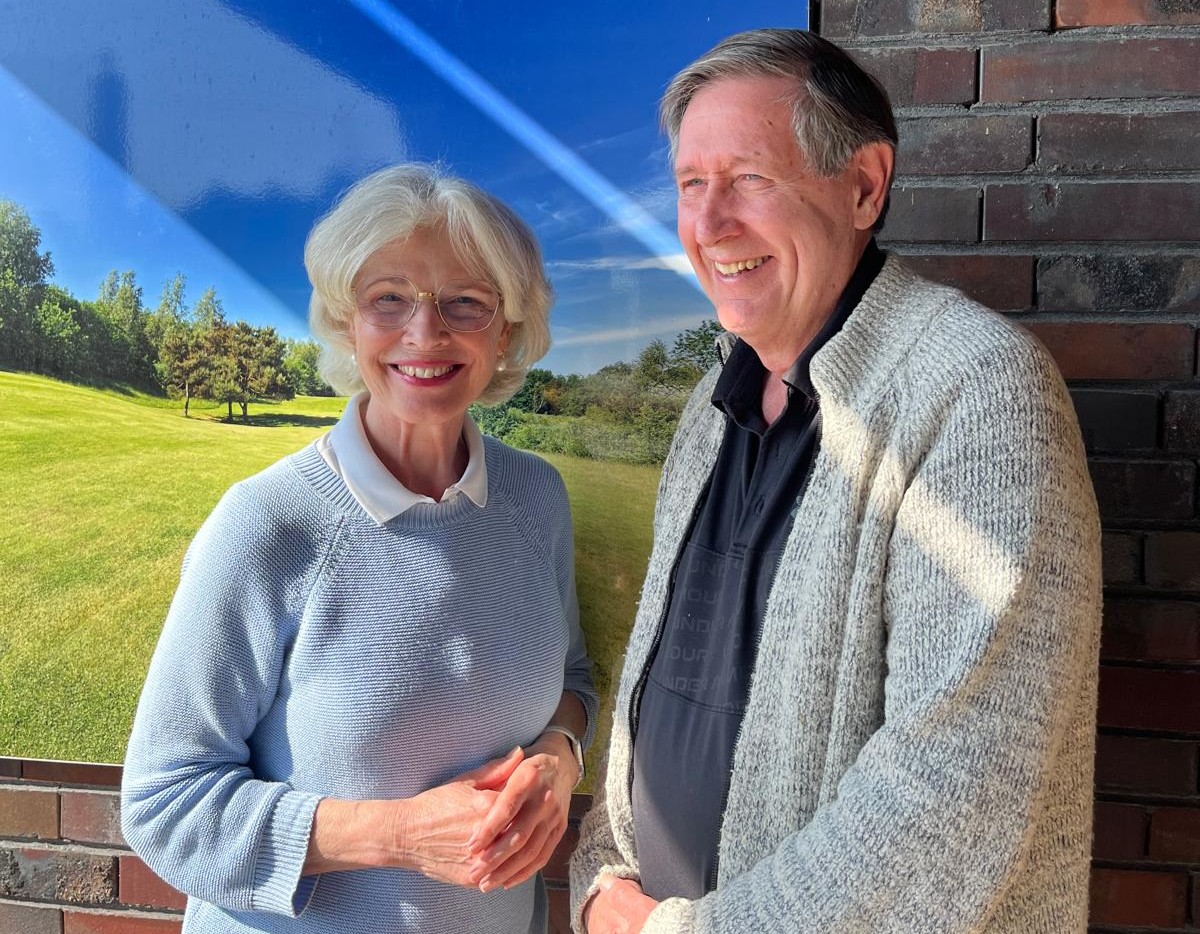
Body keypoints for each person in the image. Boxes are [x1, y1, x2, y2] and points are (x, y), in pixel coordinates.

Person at [571, 28, 1100, 934]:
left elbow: (953, 799)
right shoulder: (712, 402)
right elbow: (656, 693)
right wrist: (602, 875)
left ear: (863, 186)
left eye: (748, 178)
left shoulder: (978, 390)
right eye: (691, 186)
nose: (709, 225)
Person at [121, 163, 597, 934]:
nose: (425, 333)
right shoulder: (267, 523)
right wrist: (400, 836)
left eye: (465, 303)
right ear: (347, 323)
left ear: (507, 330)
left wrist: (559, 754)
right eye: (389, 299)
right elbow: (165, 806)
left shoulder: (537, 498)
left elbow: (572, 677)